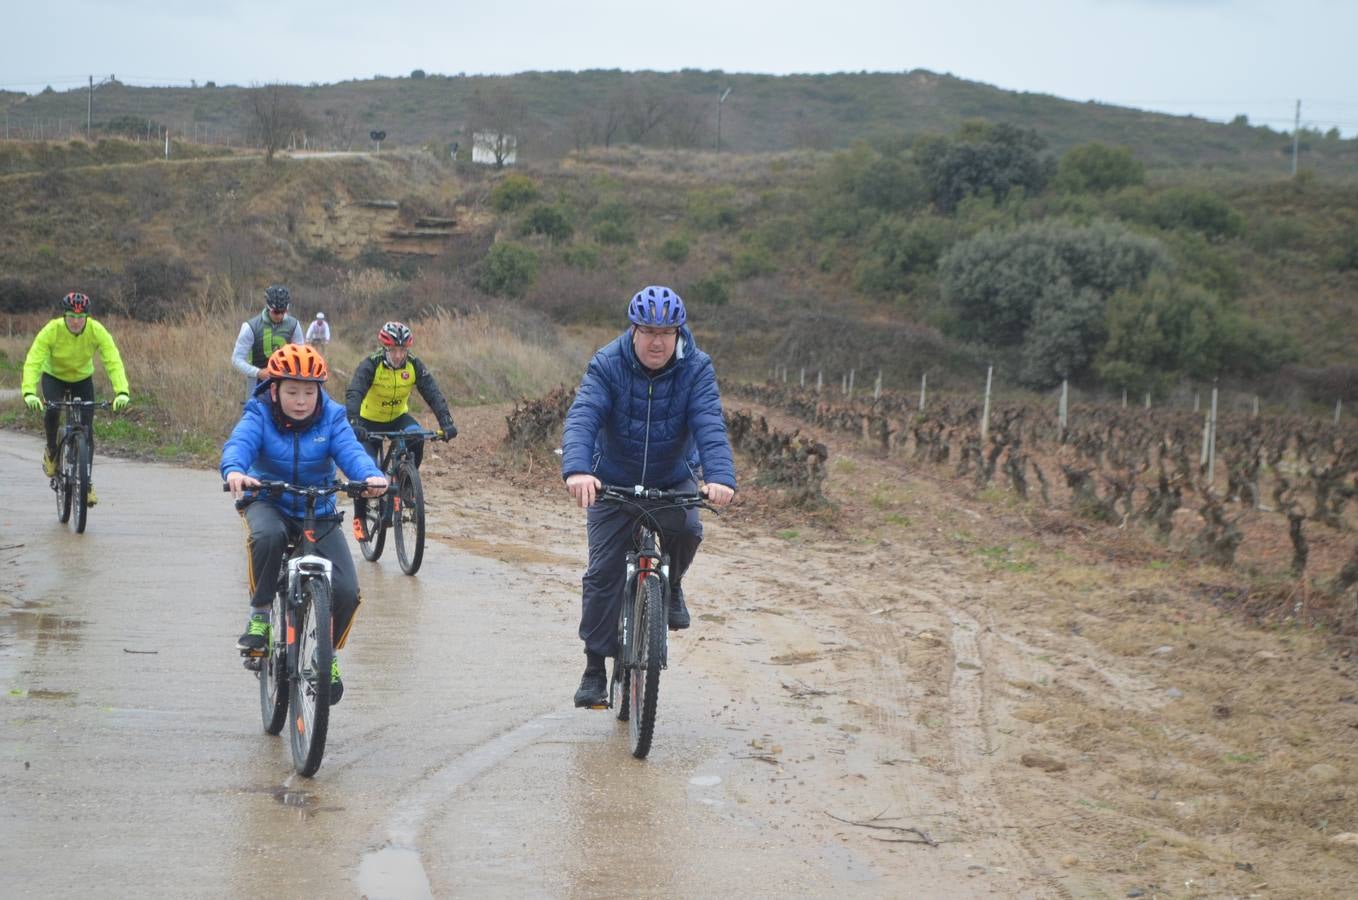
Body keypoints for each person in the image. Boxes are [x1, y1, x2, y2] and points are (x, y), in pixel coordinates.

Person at [560, 285, 736, 708]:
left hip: (671, 477)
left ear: (679, 332)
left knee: (690, 529)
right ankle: (594, 669)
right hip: (612, 481)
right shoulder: (607, 363)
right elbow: (583, 416)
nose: (657, 341)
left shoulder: (696, 367)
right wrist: (579, 470)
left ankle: (672, 585)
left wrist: (720, 477)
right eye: (648, 331)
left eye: (667, 331)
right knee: (602, 572)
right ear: (633, 330)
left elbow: (709, 423)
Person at [221, 344, 387, 704]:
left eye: (309, 392)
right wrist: (235, 470)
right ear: (275, 389)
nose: (301, 400)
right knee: (268, 536)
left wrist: (371, 476)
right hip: (269, 499)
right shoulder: (259, 413)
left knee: (344, 590)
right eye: (292, 391)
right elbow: (240, 444)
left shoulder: (332, 417)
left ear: (319, 392)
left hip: (318, 507)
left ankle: (324, 657)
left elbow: (352, 452)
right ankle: (261, 617)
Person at [344, 321, 458, 540]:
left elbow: (433, 393)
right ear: (385, 349)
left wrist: (446, 422)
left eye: (403, 351)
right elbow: (355, 392)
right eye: (393, 351)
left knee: (416, 436)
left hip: (397, 417)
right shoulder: (371, 364)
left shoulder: (414, 365)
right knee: (365, 469)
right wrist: (353, 422)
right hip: (369, 421)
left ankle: (404, 482)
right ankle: (359, 517)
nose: (398, 356)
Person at [21, 291, 131, 506]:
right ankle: (52, 451)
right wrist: (29, 392)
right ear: (64, 315)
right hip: (54, 376)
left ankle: (86, 483)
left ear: (87, 317)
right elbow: (34, 360)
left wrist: (122, 391)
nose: (76, 321)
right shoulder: (52, 330)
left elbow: (113, 360)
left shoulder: (96, 330)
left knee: (86, 431)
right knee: (52, 410)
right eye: (71, 316)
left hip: (82, 378)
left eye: (81, 318)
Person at [231, 284, 303, 400]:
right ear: (268, 307)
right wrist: (258, 372)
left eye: (283, 311)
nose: (279, 315)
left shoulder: (294, 325)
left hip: (285, 381)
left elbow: (300, 355)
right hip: (257, 381)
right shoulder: (250, 327)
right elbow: (236, 359)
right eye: (275, 312)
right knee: (255, 414)